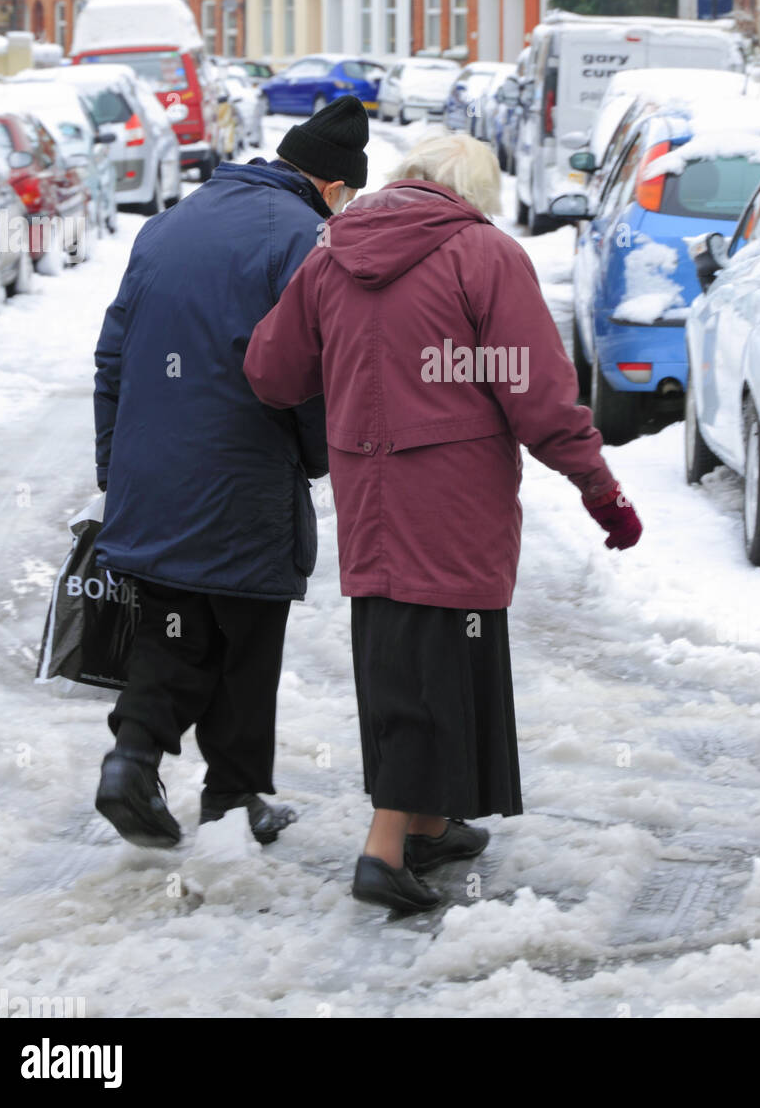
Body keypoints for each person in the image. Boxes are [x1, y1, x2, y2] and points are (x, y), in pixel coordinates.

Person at [244, 132, 641, 913]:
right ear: (472, 191)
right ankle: (384, 850)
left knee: (406, 653)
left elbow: (271, 371)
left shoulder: (331, 254)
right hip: (455, 498)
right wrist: (602, 492)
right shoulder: (482, 256)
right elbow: (540, 400)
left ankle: (427, 826)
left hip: (370, 494)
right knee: (437, 662)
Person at [92, 97, 368, 848]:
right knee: (246, 632)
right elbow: (311, 370)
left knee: (171, 625)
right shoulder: (307, 240)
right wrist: (314, 457)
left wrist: (114, 464)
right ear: (335, 186)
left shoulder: (169, 223)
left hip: (149, 477)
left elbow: (112, 353)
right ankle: (233, 795)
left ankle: (131, 759)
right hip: (244, 473)